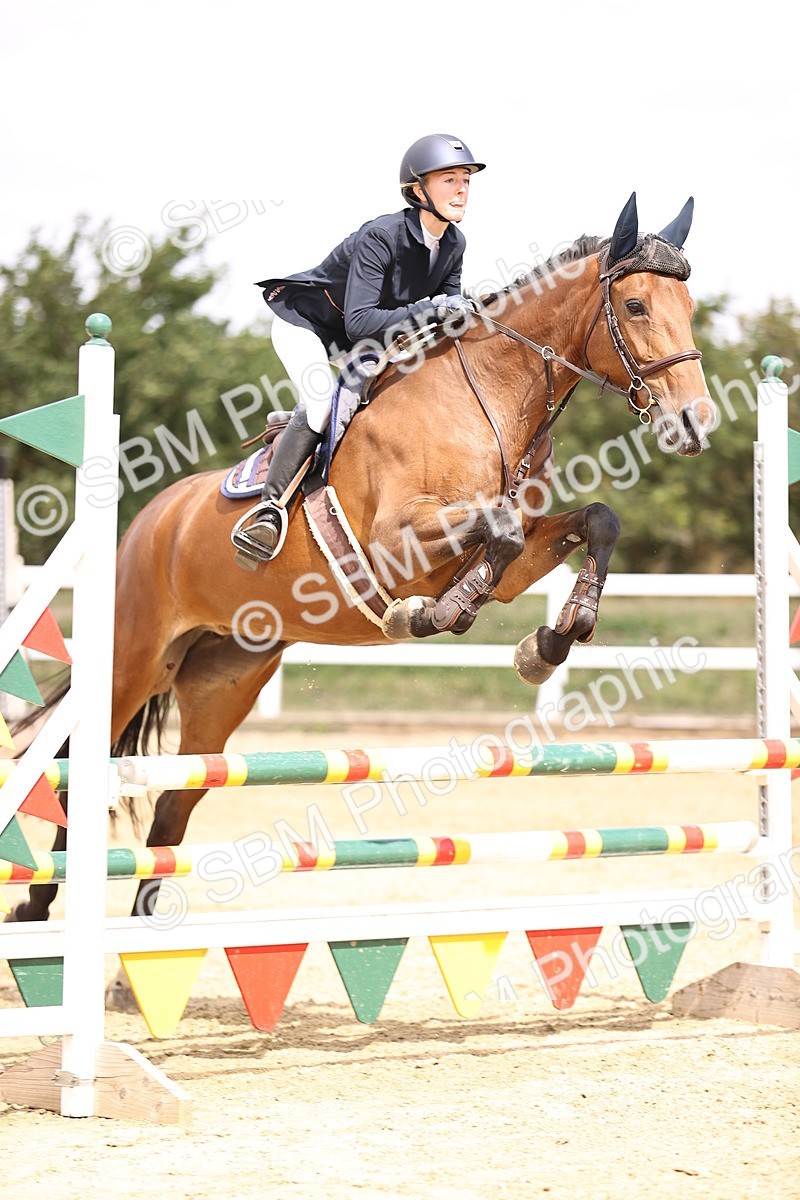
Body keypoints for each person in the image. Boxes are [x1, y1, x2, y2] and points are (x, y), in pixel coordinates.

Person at [240, 133, 486, 562]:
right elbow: (359, 323)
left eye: (465, 178)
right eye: (449, 179)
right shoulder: (381, 237)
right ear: (417, 190)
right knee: (319, 406)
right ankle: (269, 511)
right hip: (308, 326)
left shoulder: (454, 244)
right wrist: (432, 308)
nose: (462, 188)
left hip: (371, 338)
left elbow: (441, 326)